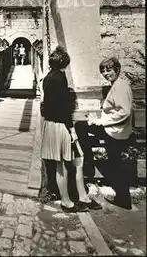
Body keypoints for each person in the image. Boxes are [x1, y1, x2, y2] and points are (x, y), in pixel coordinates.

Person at [41, 46, 102, 212]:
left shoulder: (48, 78)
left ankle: (78, 198)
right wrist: (71, 129)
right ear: (64, 63)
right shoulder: (60, 78)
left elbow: (48, 105)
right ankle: (69, 201)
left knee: (70, 162)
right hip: (61, 125)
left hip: (52, 125)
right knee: (71, 162)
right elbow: (62, 109)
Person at [75, 57, 133, 210]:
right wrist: (99, 119)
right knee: (115, 163)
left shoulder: (120, 87)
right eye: (103, 71)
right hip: (115, 129)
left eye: (109, 70)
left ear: (117, 70)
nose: (106, 73)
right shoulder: (118, 85)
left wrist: (102, 121)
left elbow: (124, 112)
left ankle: (87, 162)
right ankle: (123, 198)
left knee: (115, 164)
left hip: (115, 131)